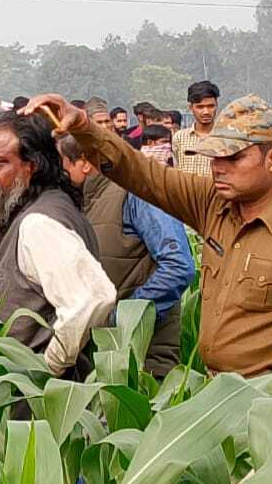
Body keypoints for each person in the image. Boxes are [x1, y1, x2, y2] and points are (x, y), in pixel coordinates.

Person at [25, 92, 272, 422]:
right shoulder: (213, 203)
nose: (218, 167)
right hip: (217, 395)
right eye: (215, 157)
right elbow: (141, 173)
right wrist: (84, 127)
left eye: (233, 158)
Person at [0, 113, 115, 374]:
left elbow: (93, 298)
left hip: (32, 392)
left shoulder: (39, 223)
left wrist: (46, 367)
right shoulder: (44, 208)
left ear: (32, 166)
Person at [59, 134, 195, 376]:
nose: (60, 174)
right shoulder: (84, 202)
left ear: (85, 163)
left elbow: (178, 266)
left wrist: (121, 320)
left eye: (64, 165)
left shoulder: (137, 195)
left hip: (142, 363)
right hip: (105, 362)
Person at [172, 81, 221, 178]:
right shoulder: (179, 137)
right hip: (186, 188)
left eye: (210, 106)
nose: (206, 112)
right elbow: (176, 169)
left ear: (216, 105)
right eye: (200, 107)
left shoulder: (225, 137)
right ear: (191, 107)